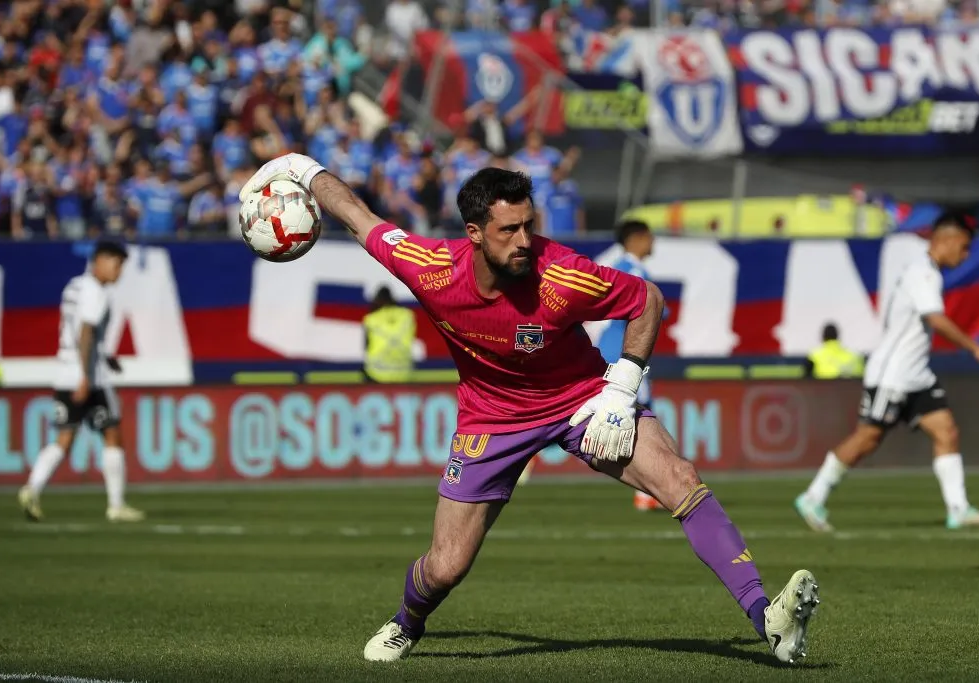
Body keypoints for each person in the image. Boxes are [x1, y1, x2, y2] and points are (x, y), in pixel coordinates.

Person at [240, 154, 822, 666]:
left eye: (529, 225)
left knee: (680, 479)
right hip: (489, 421)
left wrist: (621, 389)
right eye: (509, 229)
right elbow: (357, 215)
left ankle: (767, 621)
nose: (524, 240)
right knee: (445, 567)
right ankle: (406, 623)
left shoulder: (561, 275)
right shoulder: (429, 267)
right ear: (474, 233)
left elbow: (646, 300)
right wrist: (301, 167)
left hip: (581, 400)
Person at [795, 212, 979, 533]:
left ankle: (958, 509)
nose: (965, 255)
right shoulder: (923, 273)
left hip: (916, 375)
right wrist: (975, 348)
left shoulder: (928, 273)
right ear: (945, 240)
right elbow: (935, 318)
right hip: (893, 375)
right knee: (867, 438)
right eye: (963, 247)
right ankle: (813, 496)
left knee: (946, 431)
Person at [18, 241, 145, 523]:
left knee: (64, 439)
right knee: (112, 434)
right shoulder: (96, 291)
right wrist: (86, 376)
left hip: (64, 373)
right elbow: (85, 331)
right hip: (90, 377)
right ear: (100, 261)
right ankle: (116, 505)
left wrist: (104, 355)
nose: (119, 271)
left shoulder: (74, 286)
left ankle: (31, 488)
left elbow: (77, 330)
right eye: (116, 263)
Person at [596, 220, 661, 511]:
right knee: (643, 420)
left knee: (616, 417)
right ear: (637, 238)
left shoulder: (616, 268)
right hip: (627, 354)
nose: (653, 242)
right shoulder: (634, 271)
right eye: (650, 237)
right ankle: (647, 491)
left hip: (610, 349)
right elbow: (649, 310)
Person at [363, 285, 417, 383]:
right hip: (404, 373)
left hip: (376, 374)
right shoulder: (408, 315)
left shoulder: (371, 319)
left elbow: (366, 346)